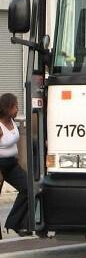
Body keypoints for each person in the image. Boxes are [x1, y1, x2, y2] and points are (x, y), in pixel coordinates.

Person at [1, 93, 29, 235]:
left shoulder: (12, 121)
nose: (17, 109)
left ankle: (14, 223)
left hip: (12, 165)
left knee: (28, 188)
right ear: (8, 108)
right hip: (1, 166)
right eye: (15, 106)